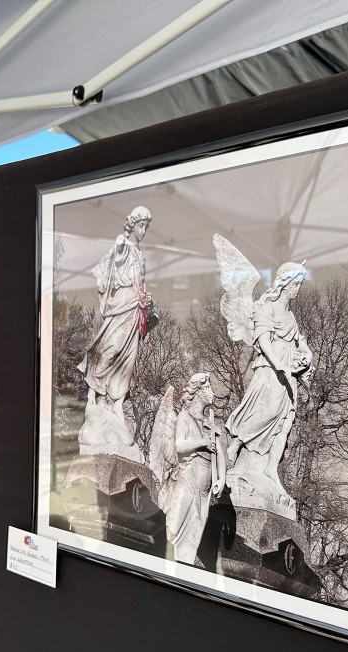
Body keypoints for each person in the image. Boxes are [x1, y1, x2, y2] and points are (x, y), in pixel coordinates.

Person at [225, 261, 313, 507]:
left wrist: (306, 354)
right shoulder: (266, 308)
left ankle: (270, 471)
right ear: (284, 283)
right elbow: (263, 340)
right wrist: (280, 365)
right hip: (270, 371)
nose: (297, 289)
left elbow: (299, 342)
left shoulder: (290, 316)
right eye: (295, 283)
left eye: (299, 284)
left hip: (289, 376)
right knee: (266, 411)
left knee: (285, 423)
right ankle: (237, 443)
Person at [78, 206, 152, 426]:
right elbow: (115, 259)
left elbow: (141, 284)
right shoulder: (125, 246)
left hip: (135, 310)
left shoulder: (140, 255)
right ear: (133, 225)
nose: (144, 230)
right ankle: (93, 393)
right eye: (141, 225)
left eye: (146, 226)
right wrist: (121, 242)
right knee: (111, 348)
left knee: (128, 359)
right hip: (122, 305)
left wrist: (148, 303)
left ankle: (115, 401)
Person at [163, 374, 224, 566]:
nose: (212, 393)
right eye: (208, 389)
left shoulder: (210, 423)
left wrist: (221, 478)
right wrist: (202, 443)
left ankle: (185, 567)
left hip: (205, 488)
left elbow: (220, 453)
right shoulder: (185, 416)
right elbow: (179, 446)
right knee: (175, 525)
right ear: (197, 391)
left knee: (195, 530)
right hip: (189, 476)